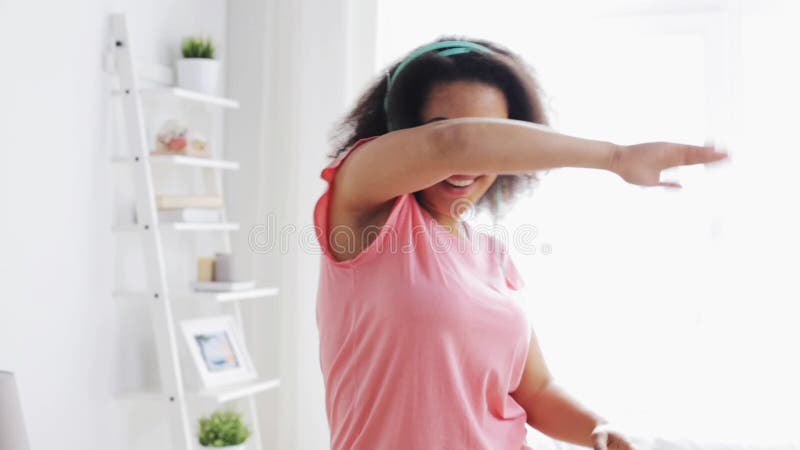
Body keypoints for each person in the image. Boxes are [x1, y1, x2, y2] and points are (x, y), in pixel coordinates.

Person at [313, 38, 727, 450]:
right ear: (401, 132)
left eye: (497, 138)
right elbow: (453, 145)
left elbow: (537, 391)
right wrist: (616, 158)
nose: (471, 161)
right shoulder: (363, 205)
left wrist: (606, 433)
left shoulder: (492, 256)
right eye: (448, 126)